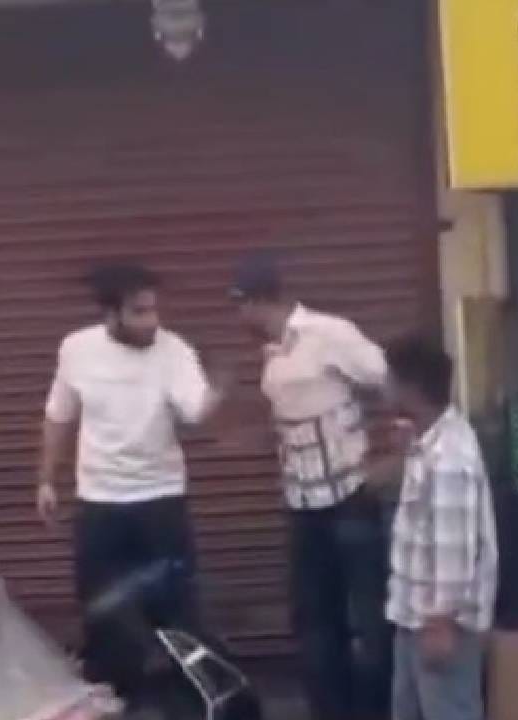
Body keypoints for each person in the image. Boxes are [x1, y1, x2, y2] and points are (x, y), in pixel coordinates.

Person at [37, 262, 228, 707]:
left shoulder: (174, 351)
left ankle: (187, 707)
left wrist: (218, 391)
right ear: (111, 314)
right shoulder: (77, 350)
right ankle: (118, 703)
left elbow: (196, 410)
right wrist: (47, 479)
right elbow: (58, 416)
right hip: (100, 505)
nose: (152, 321)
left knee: (176, 615)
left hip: (160, 504)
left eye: (154, 310)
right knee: (103, 616)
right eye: (140, 312)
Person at [229, 252, 393, 720]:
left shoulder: (329, 334)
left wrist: (392, 453)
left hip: (350, 497)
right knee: (315, 621)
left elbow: (388, 379)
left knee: (368, 617)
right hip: (303, 505)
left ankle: (378, 711)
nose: (237, 316)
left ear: (258, 301)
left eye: (239, 305)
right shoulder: (273, 353)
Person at [383, 337, 497, 720]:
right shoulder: (430, 442)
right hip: (413, 616)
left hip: (437, 622)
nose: (385, 388)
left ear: (411, 389)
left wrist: (441, 621)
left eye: (391, 380)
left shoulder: (450, 458)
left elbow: (453, 546)